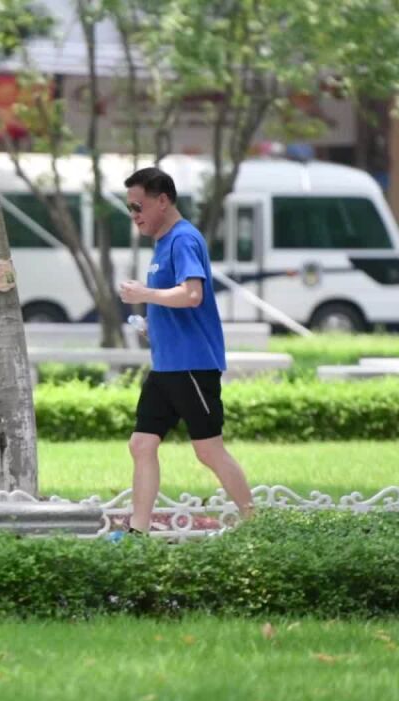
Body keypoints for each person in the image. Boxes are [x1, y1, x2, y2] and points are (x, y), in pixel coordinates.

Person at [114, 167, 254, 536]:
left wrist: (144, 295)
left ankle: (258, 525)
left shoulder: (183, 239)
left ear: (163, 200)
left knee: (209, 450)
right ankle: (137, 532)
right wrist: (152, 325)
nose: (135, 215)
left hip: (192, 365)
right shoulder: (162, 244)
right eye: (130, 208)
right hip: (166, 366)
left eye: (139, 206)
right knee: (141, 443)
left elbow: (192, 295)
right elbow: (173, 301)